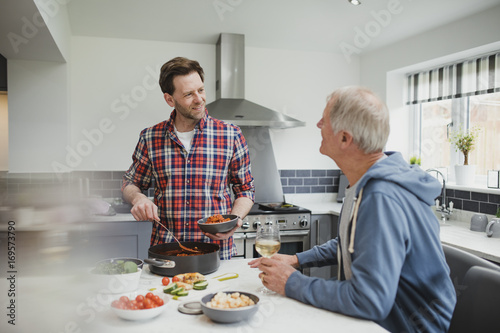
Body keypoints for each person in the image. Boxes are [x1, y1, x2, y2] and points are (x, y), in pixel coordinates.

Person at [250, 86, 456, 332]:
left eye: (324, 120)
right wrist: (298, 259)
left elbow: (370, 301)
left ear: (345, 139)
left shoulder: (381, 196)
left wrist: (291, 282)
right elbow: (352, 242)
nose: (318, 125)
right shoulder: (365, 181)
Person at [122, 57, 255, 259]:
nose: (199, 99)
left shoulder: (231, 135)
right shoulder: (150, 137)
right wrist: (138, 198)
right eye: (188, 94)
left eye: (201, 90)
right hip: (167, 253)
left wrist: (234, 219)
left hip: (217, 253)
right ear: (169, 99)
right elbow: (130, 183)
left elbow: (245, 189)